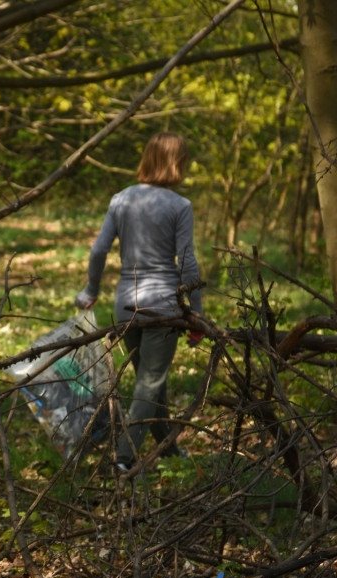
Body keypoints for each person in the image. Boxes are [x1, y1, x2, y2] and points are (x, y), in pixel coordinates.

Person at [74, 132, 203, 471]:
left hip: (125, 306)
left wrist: (90, 290)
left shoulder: (122, 199)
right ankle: (123, 459)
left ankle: (167, 447)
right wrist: (198, 315)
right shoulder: (180, 206)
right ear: (177, 164)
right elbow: (187, 263)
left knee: (150, 379)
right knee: (150, 382)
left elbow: (100, 248)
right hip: (162, 307)